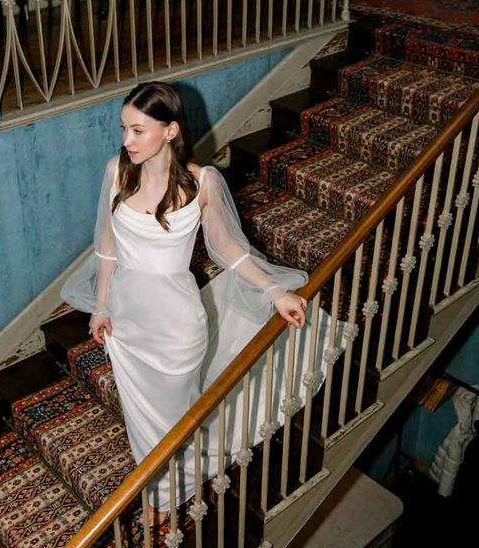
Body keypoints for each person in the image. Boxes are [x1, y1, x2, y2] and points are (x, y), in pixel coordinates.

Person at [61, 82, 310, 522]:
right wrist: (100, 306)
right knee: (140, 417)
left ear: (170, 130)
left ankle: (177, 488)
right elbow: (107, 246)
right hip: (128, 320)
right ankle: (159, 489)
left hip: (177, 327)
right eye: (124, 129)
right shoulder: (116, 171)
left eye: (138, 131)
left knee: (177, 417)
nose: (126, 141)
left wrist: (274, 292)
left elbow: (229, 250)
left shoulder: (203, 182)